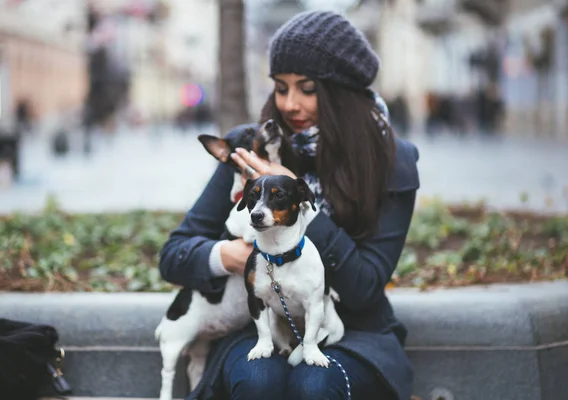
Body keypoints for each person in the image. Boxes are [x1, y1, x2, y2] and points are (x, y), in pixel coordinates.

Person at [159, 10, 420, 400]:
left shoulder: (390, 161)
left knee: (313, 382)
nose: (290, 104)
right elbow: (174, 254)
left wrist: (295, 194)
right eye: (281, 88)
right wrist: (231, 255)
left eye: (307, 89)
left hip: (353, 329)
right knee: (260, 379)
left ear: (342, 93)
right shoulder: (250, 146)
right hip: (260, 324)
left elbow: (364, 287)